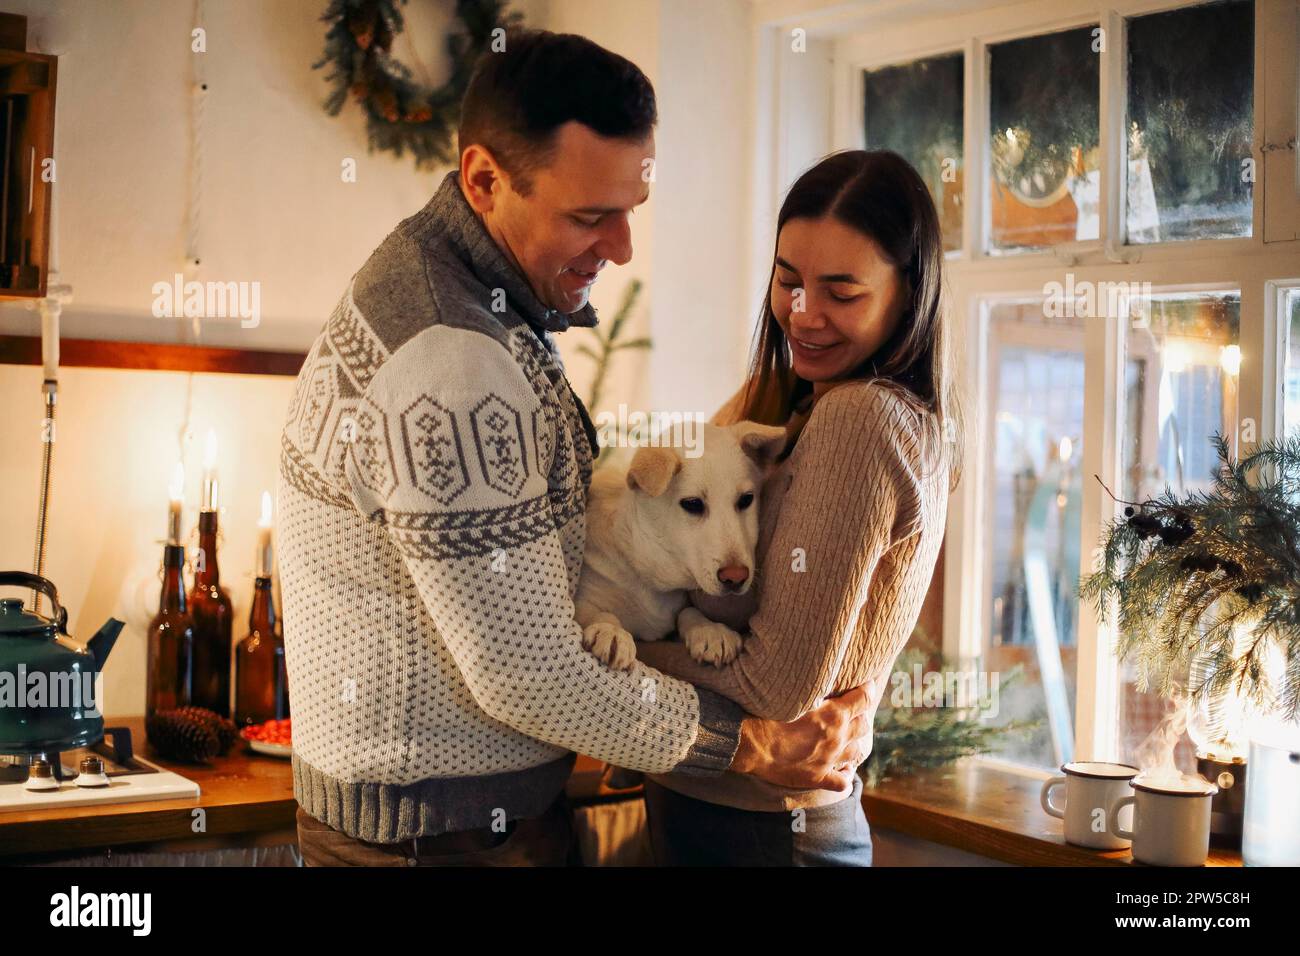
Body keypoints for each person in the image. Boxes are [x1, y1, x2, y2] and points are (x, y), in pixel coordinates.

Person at [279, 29, 877, 867]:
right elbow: (526, 673)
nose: (623, 248)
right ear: (485, 180)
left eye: (630, 210)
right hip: (437, 844)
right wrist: (749, 748)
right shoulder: (453, 360)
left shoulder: (475, 299)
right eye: (591, 217)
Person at [636, 149, 964, 866]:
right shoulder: (782, 402)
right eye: (788, 282)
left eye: (841, 293)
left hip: (761, 834)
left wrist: (610, 653)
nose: (803, 314)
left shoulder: (860, 421)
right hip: (719, 811)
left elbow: (774, 686)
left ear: (909, 295)